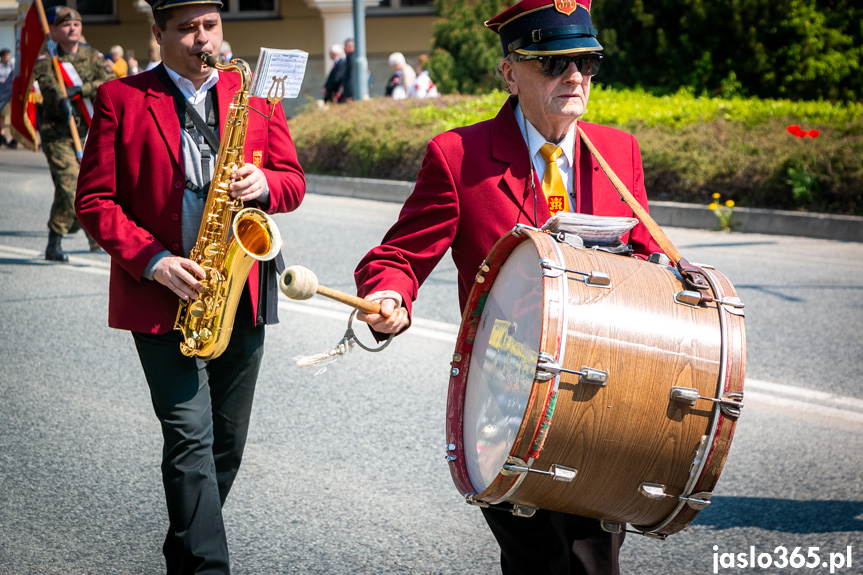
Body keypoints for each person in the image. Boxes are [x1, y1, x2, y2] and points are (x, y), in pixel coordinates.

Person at [354, 1, 661, 573]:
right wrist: (390, 293)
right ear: (509, 72)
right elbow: (396, 255)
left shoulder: (619, 153)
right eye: (554, 63)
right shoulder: (458, 156)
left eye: (587, 62)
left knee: (596, 561)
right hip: (504, 398)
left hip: (603, 395)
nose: (575, 77)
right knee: (537, 560)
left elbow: (646, 259)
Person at [74, 0, 305, 572]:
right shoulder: (121, 99)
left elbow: (295, 182)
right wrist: (153, 261)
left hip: (241, 291)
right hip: (161, 295)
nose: (202, 40)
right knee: (190, 439)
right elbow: (94, 201)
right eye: (187, 30)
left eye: (211, 27)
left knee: (225, 446)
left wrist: (266, 182)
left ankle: (185, 552)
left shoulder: (252, 96)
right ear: (158, 34)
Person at [33, 6, 109, 261]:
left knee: (79, 186)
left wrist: (82, 89)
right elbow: (50, 88)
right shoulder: (46, 60)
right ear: (53, 30)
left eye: (76, 23)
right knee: (70, 186)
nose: (72, 28)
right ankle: (83, 226)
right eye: (66, 25)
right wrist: (63, 97)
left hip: (88, 132)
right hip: (57, 134)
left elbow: (108, 83)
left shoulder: (92, 56)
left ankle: (54, 242)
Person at [0, 47, 18, 149]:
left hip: (10, 94)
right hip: (1, 93)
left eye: (9, 56)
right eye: (6, 56)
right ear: (1, 57)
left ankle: (11, 137)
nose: (8, 58)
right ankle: (2, 134)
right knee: (2, 115)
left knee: (9, 114)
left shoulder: (12, 66)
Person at [341, 37, 355, 102]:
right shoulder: (351, 57)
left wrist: (349, 93)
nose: (344, 48)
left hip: (351, 93)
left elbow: (351, 76)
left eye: (345, 46)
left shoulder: (351, 58)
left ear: (350, 47)